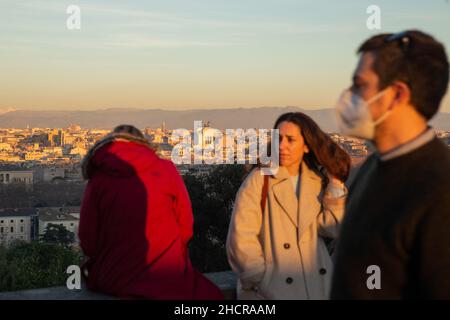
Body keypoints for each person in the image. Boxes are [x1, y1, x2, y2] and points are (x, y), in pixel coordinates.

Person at [331, 30, 450, 299]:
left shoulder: (440, 189)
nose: (348, 96)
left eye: (360, 86)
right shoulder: (372, 166)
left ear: (397, 94)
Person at [79, 124, 223, 300]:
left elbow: (88, 241)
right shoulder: (167, 170)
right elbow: (185, 226)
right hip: (167, 273)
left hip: (114, 276)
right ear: (144, 144)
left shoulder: (98, 179)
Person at [226, 112, 350, 300]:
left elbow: (331, 228)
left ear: (307, 146)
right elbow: (241, 237)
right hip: (272, 291)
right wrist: (260, 280)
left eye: (290, 140)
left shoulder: (315, 181)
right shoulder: (260, 180)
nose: (282, 146)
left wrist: (335, 184)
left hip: (316, 286)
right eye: (279, 139)